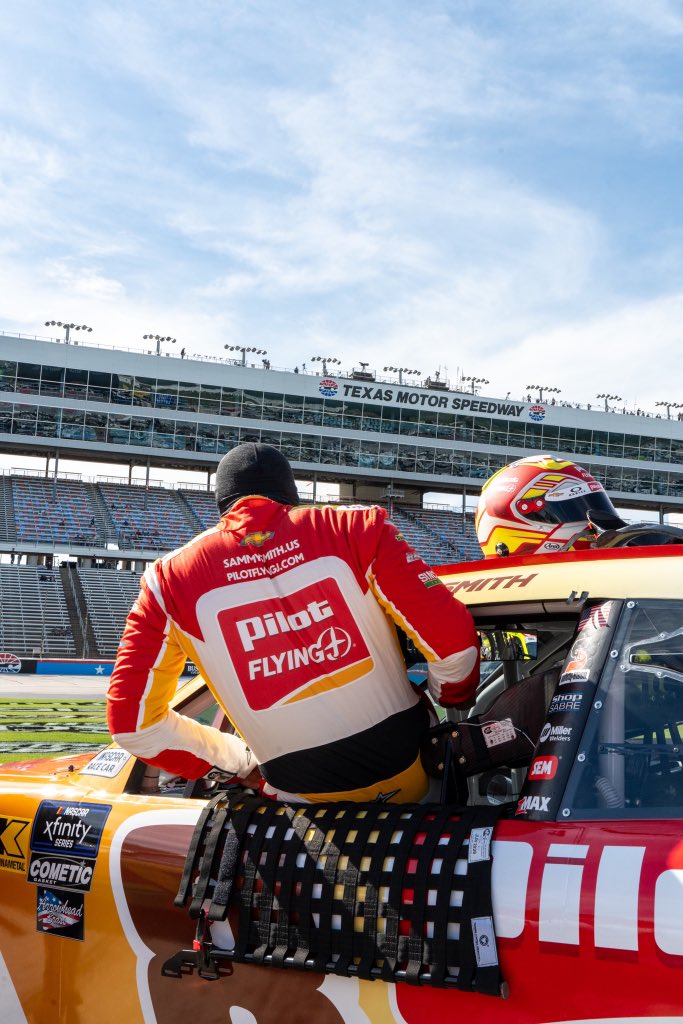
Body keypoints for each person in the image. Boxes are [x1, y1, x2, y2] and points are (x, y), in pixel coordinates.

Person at [107, 443, 480, 803]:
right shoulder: (358, 526)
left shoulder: (166, 580)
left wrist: (240, 763)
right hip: (418, 777)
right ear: (291, 495)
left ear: (220, 505)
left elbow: (134, 726)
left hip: (299, 804)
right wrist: (450, 697)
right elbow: (456, 647)